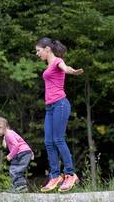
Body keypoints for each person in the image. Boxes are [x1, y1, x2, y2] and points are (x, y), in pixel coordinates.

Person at [36, 37, 83, 193]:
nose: (37, 54)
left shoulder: (57, 61)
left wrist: (73, 71)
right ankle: (55, 176)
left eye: (38, 50)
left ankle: (70, 174)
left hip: (60, 104)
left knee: (58, 139)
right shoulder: (49, 64)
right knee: (49, 142)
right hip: (50, 107)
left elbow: (65, 68)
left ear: (47, 49)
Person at [0, 117, 33, 193]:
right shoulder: (10, 133)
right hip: (24, 152)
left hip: (21, 153)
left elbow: (16, 145)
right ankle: (19, 187)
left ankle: (20, 187)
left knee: (15, 170)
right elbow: (20, 140)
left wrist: (10, 155)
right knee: (16, 170)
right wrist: (30, 152)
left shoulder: (8, 134)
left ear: (1, 127)